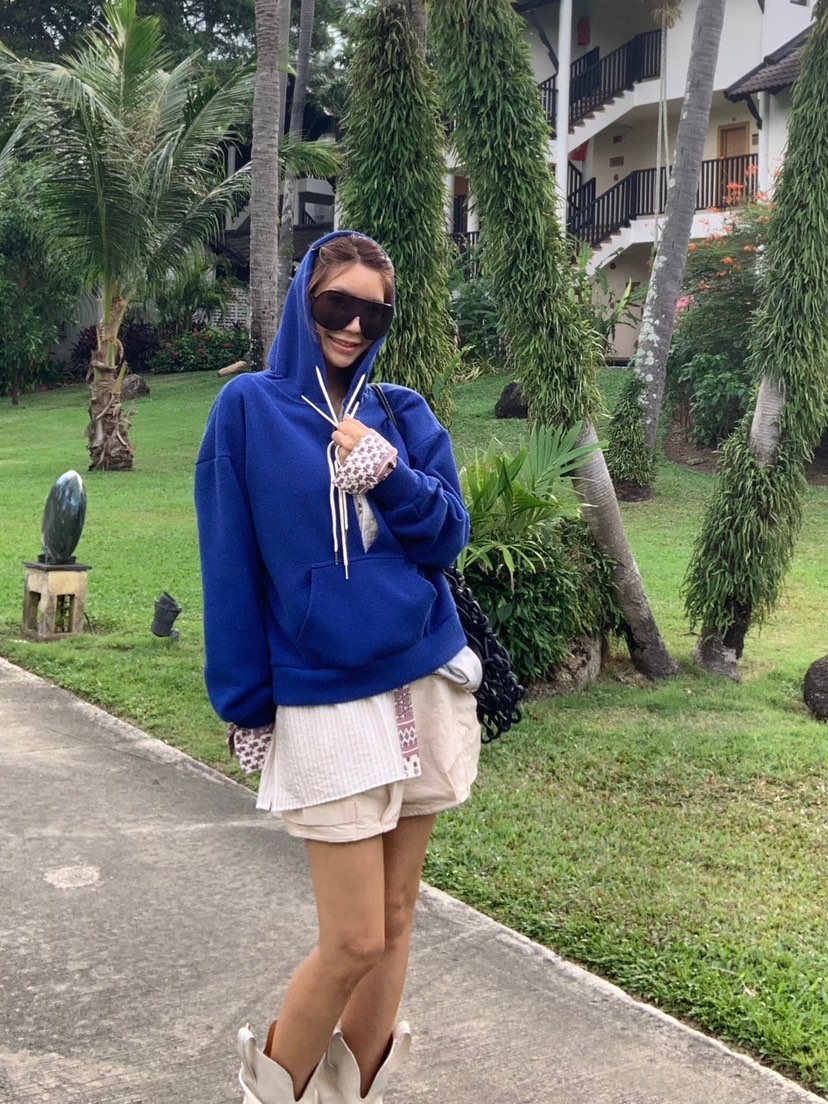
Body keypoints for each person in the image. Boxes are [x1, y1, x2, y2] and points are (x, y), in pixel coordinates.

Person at [195, 230, 482, 1104]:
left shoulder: (402, 410)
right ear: (303, 302)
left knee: (396, 917)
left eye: (373, 313)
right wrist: (246, 704)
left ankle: (350, 1095)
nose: (354, 325)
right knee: (353, 937)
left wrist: (389, 475)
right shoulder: (249, 410)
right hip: (325, 699)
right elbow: (230, 568)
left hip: (422, 678)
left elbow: (449, 536)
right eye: (337, 305)